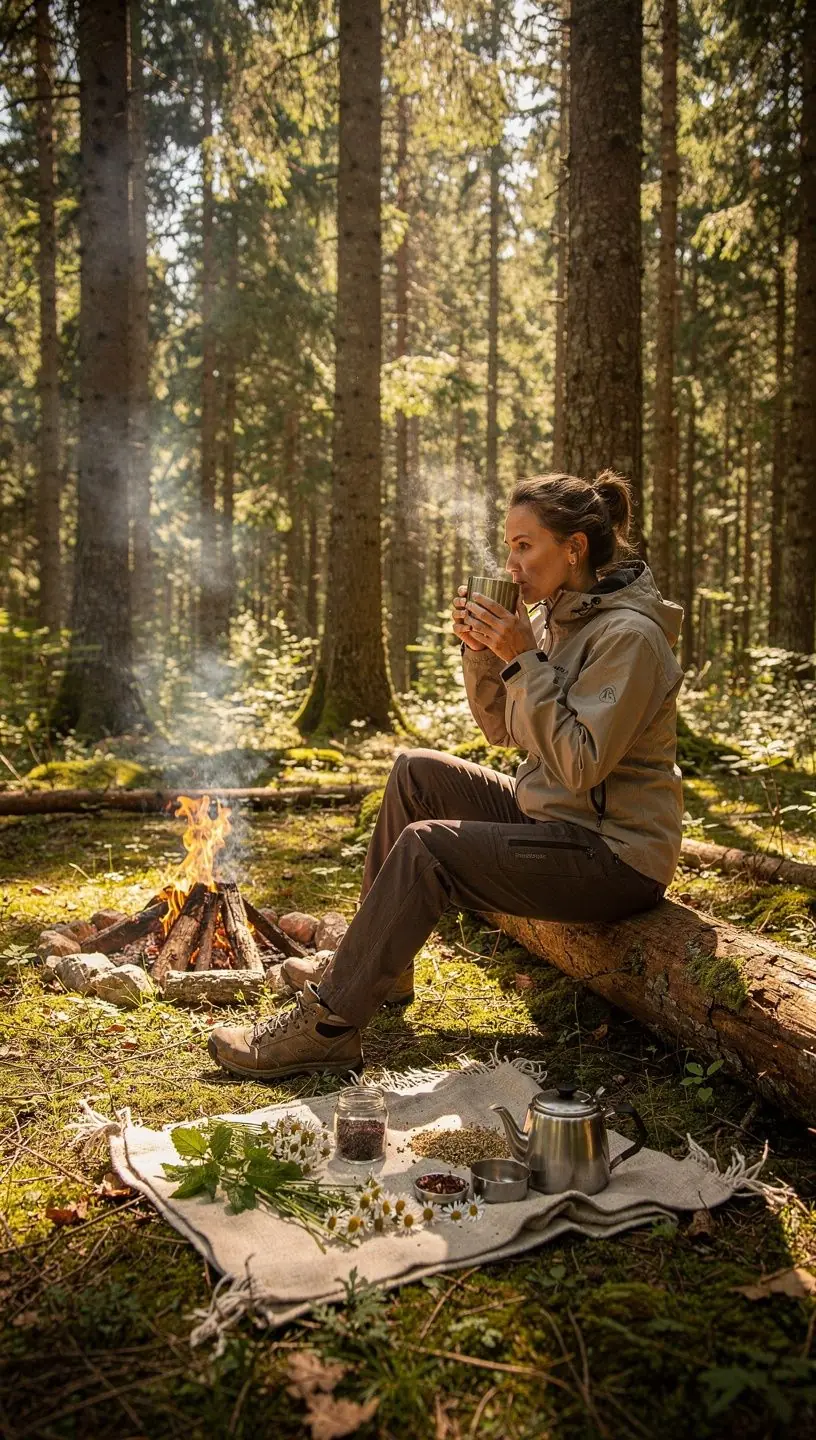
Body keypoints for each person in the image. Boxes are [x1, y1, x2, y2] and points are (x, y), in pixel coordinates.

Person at [209, 470, 684, 1080]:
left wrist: (521, 660)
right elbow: (501, 729)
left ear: (574, 548)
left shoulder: (630, 636)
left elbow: (579, 763)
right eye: (508, 545)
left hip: (612, 855)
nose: (511, 564)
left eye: (524, 545)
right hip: (554, 816)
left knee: (429, 847)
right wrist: (483, 655)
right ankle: (378, 971)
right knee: (415, 772)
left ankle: (328, 1025)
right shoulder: (556, 620)